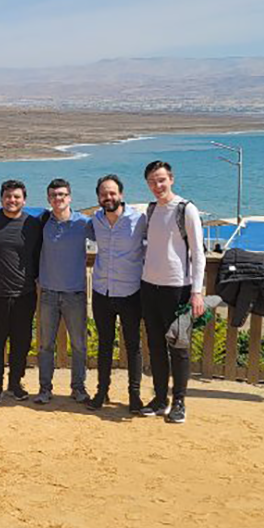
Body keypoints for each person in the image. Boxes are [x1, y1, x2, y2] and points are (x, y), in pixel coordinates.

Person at [140, 160, 205, 425]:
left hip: (177, 287)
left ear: (171, 179)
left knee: (179, 348)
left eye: (161, 180)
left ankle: (179, 401)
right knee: (155, 346)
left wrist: (197, 292)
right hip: (149, 286)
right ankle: (159, 399)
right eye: (152, 181)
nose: (157, 186)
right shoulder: (152, 209)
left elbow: (199, 254)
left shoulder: (186, 209)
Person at [0, 179, 43, 404]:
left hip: (24, 295)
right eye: (8, 196)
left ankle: (15, 383)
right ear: (1, 198)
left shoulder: (33, 224)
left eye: (16, 197)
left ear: (24, 200)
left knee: (21, 343)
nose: (12, 200)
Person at [88, 174, 146, 414]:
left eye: (112, 193)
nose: (108, 197)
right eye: (103, 194)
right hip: (102, 290)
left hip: (131, 292)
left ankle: (135, 395)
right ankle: (102, 391)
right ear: (98, 198)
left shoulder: (139, 219)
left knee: (133, 346)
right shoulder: (95, 220)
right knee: (104, 344)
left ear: (121, 194)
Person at [35, 178, 91, 405]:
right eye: (54, 195)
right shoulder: (42, 222)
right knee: (45, 345)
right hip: (48, 293)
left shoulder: (84, 223)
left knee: (79, 345)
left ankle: (78, 388)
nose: (58, 199)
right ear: (49, 199)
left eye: (62, 195)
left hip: (75, 294)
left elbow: (111, 233)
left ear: (70, 197)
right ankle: (44, 389)